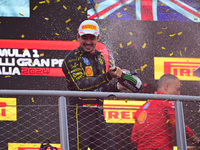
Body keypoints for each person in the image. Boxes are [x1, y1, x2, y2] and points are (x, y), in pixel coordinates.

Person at [62, 19, 124, 150]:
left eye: (92, 37)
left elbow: (99, 89)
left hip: (98, 114)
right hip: (79, 115)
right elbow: (81, 85)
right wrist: (108, 76)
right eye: (85, 37)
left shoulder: (100, 58)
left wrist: (118, 86)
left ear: (98, 38)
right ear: (78, 37)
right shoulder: (72, 58)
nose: (88, 42)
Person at [131, 74, 200, 150]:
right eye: (177, 89)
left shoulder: (141, 109)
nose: (179, 94)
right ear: (166, 86)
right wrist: (197, 141)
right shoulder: (166, 102)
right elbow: (178, 126)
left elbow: (134, 139)